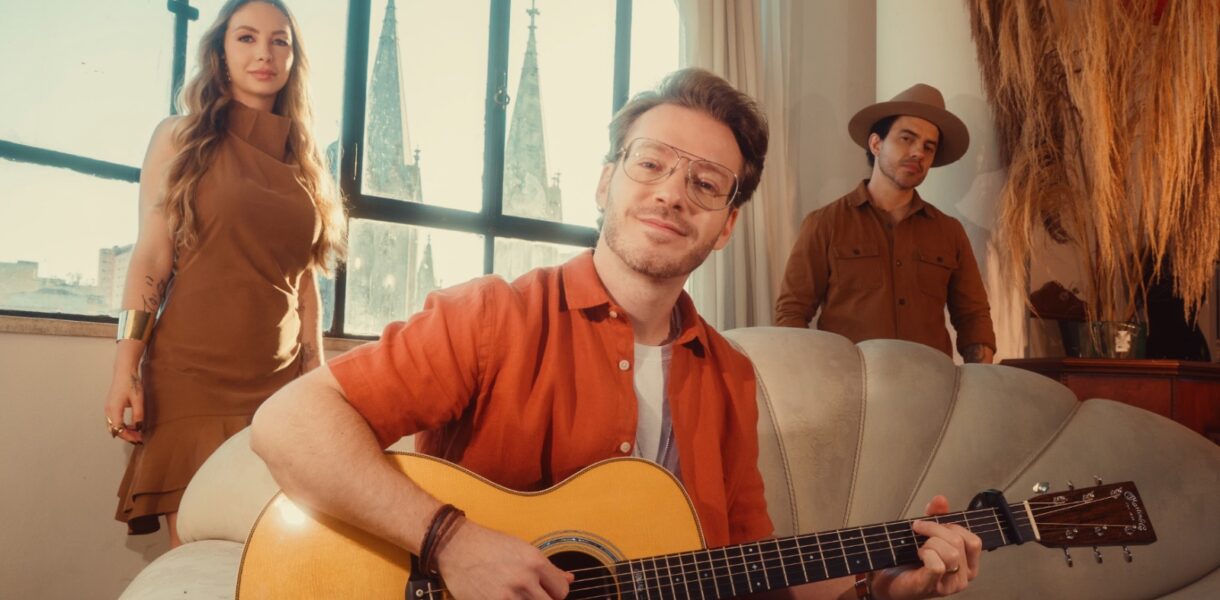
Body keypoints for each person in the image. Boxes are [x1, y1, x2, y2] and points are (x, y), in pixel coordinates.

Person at [252, 68, 981, 600]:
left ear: (727, 226)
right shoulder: (492, 316)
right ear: (606, 184)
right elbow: (289, 424)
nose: (671, 192)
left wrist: (880, 585)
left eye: (705, 183)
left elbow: (750, 572)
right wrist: (450, 540)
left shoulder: (730, 375)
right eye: (651, 163)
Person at [102, 0, 345, 545]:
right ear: (220, 51)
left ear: (293, 58)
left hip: (280, 390)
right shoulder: (179, 137)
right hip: (191, 381)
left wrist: (316, 374)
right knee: (204, 562)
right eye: (247, 38)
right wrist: (125, 370)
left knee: (278, 559)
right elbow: (152, 256)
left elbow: (304, 279)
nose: (264, 53)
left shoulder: (306, 162)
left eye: (279, 41)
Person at [774, 84, 996, 364]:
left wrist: (978, 376)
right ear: (876, 144)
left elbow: (973, 317)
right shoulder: (824, 224)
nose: (918, 152)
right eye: (907, 138)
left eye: (928, 147)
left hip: (930, 385)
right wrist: (814, 375)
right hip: (848, 383)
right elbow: (792, 312)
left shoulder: (949, 232)